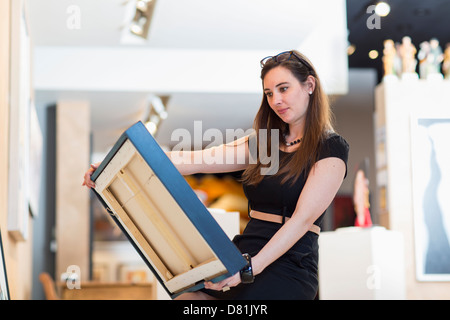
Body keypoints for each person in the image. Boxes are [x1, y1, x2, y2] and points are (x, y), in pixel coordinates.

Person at [83, 50, 349, 300]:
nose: (275, 100)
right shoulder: (266, 144)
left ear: (309, 85)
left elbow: (301, 221)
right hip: (244, 251)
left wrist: (249, 268)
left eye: (283, 88)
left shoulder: (330, 147)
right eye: (268, 93)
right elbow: (194, 161)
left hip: (289, 263)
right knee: (187, 297)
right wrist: (110, 168)